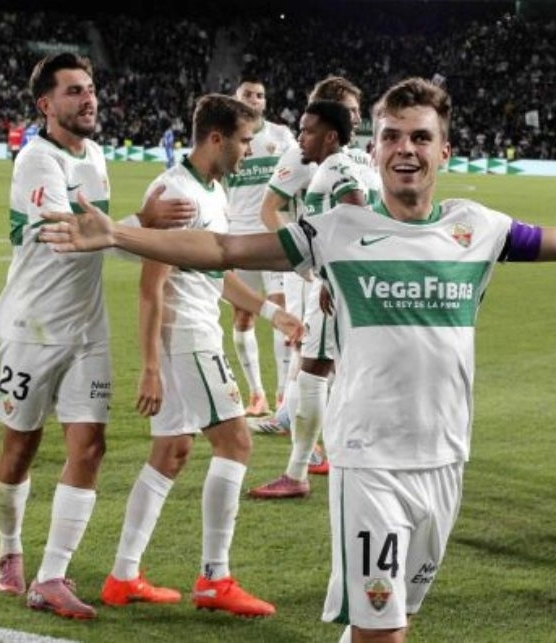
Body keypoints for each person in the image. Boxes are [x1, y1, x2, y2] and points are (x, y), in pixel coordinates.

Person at [38, 77, 556, 642]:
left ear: (445, 150)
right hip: (370, 461)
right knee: (386, 630)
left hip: (446, 459)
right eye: (391, 136)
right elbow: (224, 248)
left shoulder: (477, 228)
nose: (405, 148)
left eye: (420, 136)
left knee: (383, 624)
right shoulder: (336, 229)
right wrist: (121, 235)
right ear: (375, 148)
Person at [0, 52, 194, 621]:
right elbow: (67, 234)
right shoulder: (36, 159)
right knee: (19, 448)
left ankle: (51, 576)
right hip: (31, 328)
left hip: (87, 328)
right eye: (74, 91)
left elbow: (101, 235)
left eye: (91, 88)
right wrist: (141, 225)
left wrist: (138, 228)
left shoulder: (96, 156)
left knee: (91, 446)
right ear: (45, 104)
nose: (88, 98)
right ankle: (10, 548)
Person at [98, 94, 302, 619]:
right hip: (187, 337)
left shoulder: (212, 190)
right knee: (236, 441)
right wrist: (150, 367)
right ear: (216, 138)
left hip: (193, 333)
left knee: (171, 450)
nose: (249, 150)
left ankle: (123, 575)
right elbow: (151, 287)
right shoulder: (178, 194)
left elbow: (216, 270)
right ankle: (215, 578)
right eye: (244, 140)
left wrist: (269, 313)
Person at [249, 99, 379, 500]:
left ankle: (298, 472)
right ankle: (348, 457)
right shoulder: (361, 162)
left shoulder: (334, 167)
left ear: (331, 136)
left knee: (311, 374)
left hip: (336, 288)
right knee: (340, 371)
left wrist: (332, 275)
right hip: (360, 285)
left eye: (308, 130)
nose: (301, 137)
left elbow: (356, 212)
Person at [227, 76, 297, 418]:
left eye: (259, 95)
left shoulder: (281, 136)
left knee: (282, 309)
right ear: (236, 99)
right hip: (238, 237)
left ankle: (283, 395)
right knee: (243, 316)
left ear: (265, 102)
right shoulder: (227, 139)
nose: (254, 99)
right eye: (248, 95)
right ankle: (257, 394)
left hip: (274, 236)